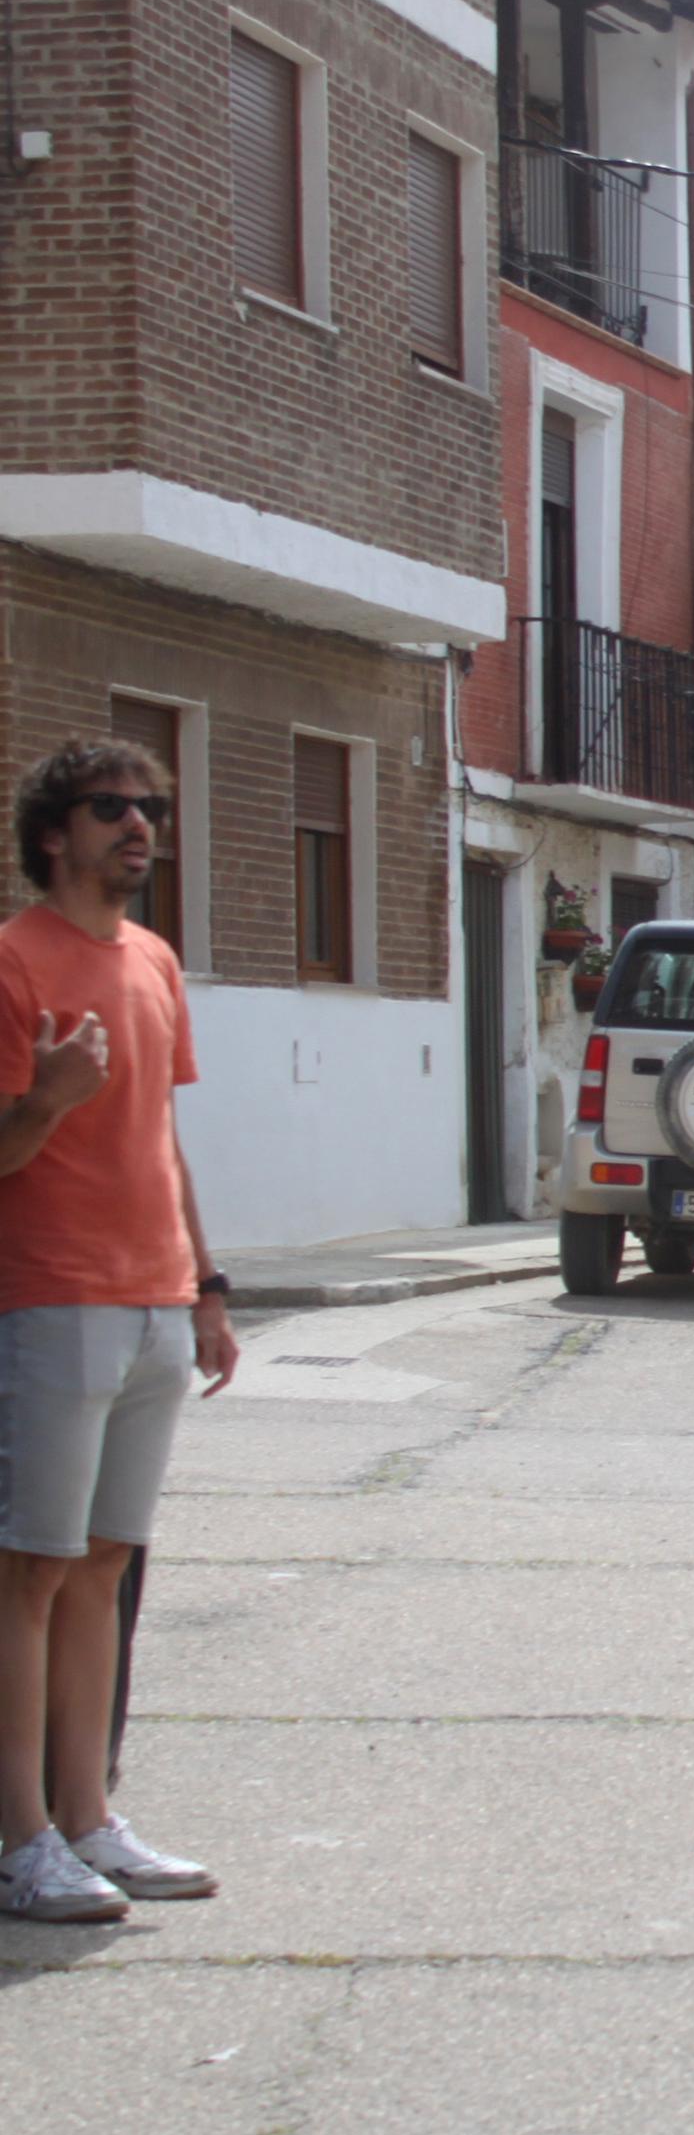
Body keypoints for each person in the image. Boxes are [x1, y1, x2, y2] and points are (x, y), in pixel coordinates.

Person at [0, 738, 235, 1926]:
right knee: (29, 1571)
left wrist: (206, 1282)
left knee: (104, 1568)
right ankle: (23, 1839)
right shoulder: (11, 962)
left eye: (150, 808)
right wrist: (44, 1099)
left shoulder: (152, 960)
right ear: (56, 833)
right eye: (112, 809)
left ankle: (92, 1821)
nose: (139, 825)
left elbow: (162, 1138)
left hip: (151, 1300)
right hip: (51, 1297)